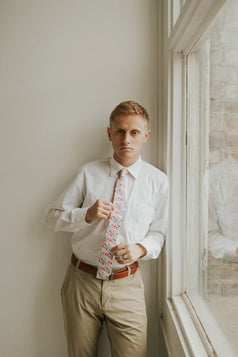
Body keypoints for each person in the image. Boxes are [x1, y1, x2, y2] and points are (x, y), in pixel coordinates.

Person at [46, 100, 169, 357]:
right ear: (109, 133)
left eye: (134, 132)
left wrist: (139, 249)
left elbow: (158, 233)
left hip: (127, 284)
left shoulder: (158, 182)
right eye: (120, 131)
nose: (127, 139)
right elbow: (52, 218)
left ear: (146, 136)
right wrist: (85, 215)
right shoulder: (88, 173)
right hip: (81, 283)